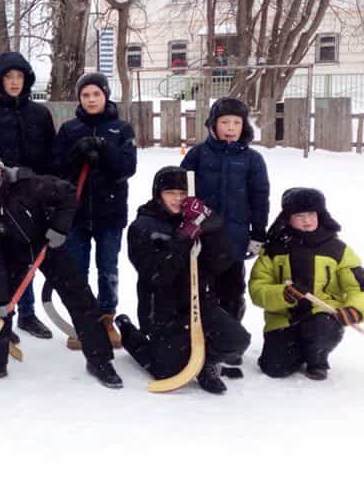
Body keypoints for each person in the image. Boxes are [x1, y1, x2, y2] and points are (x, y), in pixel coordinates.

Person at [0, 138, 122, 388]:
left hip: (48, 244)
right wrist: (1, 298)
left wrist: (59, 228)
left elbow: (68, 193)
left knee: (79, 296)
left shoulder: (26, 183)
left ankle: (100, 359)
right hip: (11, 254)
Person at [116, 167, 251, 394]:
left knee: (237, 341)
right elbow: (157, 275)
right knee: (166, 370)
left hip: (199, 303)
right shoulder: (142, 227)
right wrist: (182, 238)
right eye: (171, 193)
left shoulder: (198, 221)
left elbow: (220, 264)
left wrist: (213, 226)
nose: (178, 199)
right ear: (158, 194)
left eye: (183, 193)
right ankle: (129, 332)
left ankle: (205, 363)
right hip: (161, 310)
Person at [0, 51, 56, 340]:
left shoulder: (40, 114)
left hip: (31, 196)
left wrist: (44, 190)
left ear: (26, 80)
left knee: (27, 256)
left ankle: (27, 314)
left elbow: (50, 156)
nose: (14, 82)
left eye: (19, 77)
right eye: (9, 77)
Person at [51, 72, 137, 349]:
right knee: (77, 269)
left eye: (96, 94)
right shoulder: (69, 129)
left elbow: (126, 169)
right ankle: (83, 320)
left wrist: (104, 148)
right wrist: (77, 155)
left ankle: (106, 317)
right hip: (75, 214)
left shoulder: (121, 129)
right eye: (85, 95)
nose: (90, 99)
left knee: (108, 268)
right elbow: (58, 169)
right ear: (79, 98)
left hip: (109, 213)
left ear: (105, 95)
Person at [249, 187, 364, 380]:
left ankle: (317, 358)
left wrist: (355, 309)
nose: (307, 220)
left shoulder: (337, 249)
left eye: (312, 214)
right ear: (287, 217)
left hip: (323, 314)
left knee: (321, 329)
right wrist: (283, 294)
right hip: (283, 318)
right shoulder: (273, 250)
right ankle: (296, 349)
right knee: (275, 369)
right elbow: (257, 289)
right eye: (300, 215)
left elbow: (359, 287)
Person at [181, 97, 270, 335]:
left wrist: (258, 233)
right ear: (213, 124)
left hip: (235, 239)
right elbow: (181, 192)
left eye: (236, 123)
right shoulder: (197, 155)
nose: (230, 128)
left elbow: (259, 199)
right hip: (202, 237)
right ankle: (201, 338)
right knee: (200, 289)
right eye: (224, 122)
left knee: (232, 290)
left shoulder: (253, 160)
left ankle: (230, 341)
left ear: (244, 126)